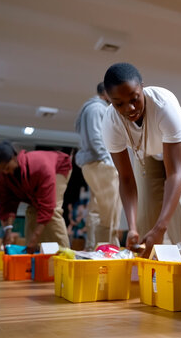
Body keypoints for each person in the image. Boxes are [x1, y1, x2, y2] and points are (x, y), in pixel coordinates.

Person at [101, 63, 181, 258]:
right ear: (110, 101)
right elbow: (126, 178)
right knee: (145, 211)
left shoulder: (163, 105)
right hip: (147, 151)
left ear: (142, 87)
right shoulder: (111, 122)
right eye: (118, 103)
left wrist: (160, 228)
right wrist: (131, 228)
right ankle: (151, 267)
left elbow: (175, 174)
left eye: (134, 99)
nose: (129, 108)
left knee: (177, 199)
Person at [0, 142, 71, 252]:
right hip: (35, 180)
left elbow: (47, 207)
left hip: (58, 168)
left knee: (53, 211)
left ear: (15, 158)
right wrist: (7, 231)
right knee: (32, 212)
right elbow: (7, 203)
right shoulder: (4, 174)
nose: (5, 171)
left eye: (7, 167)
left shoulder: (41, 166)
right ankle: (34, 254)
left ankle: (66, 254)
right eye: (1, 169)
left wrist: (35, 238)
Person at [75, 82, 124, 249]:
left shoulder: (91, 108)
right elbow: (97, 137)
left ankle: (93, 247)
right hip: (99, 163)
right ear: (108, 93)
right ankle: (108, 249)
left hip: (93, 163)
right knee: (110, 212)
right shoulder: (97, 108)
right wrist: (108, 161)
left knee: (97, 209)